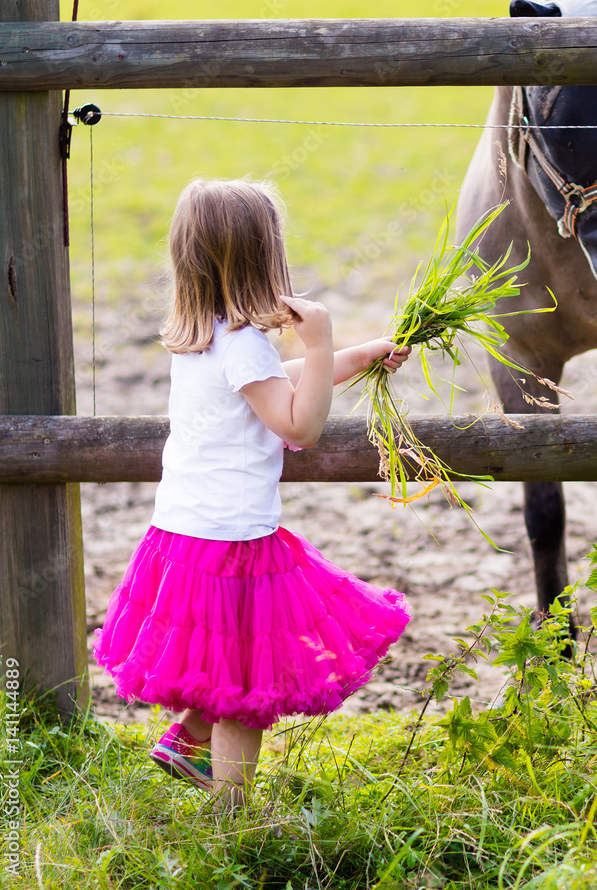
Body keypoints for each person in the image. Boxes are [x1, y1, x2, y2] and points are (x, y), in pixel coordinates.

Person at [94, 178, 411, 809]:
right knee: (243, 682)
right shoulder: (243, 344)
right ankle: (231, 814)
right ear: (261, 259)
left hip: (183, 532)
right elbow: (300, 425)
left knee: (221, 665)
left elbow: (275, 380)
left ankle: (188, 743)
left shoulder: (205, 335)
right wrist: (320, 343)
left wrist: (355, 356)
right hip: (232, 540)